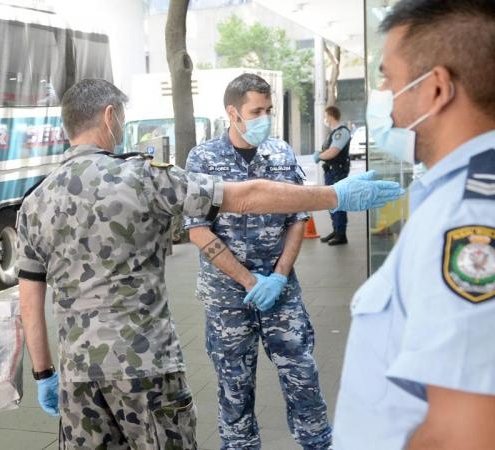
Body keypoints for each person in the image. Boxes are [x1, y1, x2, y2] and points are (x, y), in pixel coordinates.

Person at [16, 78, 402, 449]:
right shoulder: (142, 178)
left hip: (79, 376)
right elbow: (246, 197)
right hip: (148, 366)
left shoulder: (34, 202)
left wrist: (43, 373)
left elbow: (29, 298)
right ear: (109, 115)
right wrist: (333, 195)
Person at [333, 1, 495, 448]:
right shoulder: (457, 198)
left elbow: (463, 434)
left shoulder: (467, 220)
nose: (383, 95)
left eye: (388, 79)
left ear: (436, 89)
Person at [185, 73, 331, 450]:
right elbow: (198, 230)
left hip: (281, 294)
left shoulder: (280, 154)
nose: (265, 118)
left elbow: (298, 217)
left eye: (269, 110)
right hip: (228, 299)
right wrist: (250, 281)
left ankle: (317, 443)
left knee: (303, 377)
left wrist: (279, 277)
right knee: (234, 387)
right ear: (232, 113)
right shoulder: (203, 158)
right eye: (256, 111)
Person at [314, 105, 352, 245]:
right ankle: (336, 230)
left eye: (325, 116)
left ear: (330, 116)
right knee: (332, 202)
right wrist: (321, 154)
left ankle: (341, 234)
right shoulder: (334, 132)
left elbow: (333, 151)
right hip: (331, 171)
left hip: (337, 172)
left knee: (337, 202)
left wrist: (320, 156)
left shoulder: (341, 132)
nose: (324, 119)